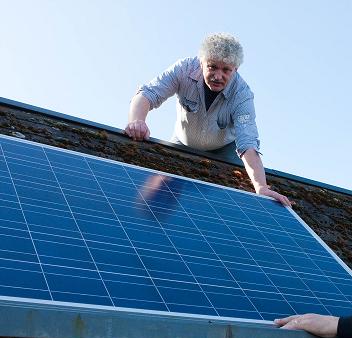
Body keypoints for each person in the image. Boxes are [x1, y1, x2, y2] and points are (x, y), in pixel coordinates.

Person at [124, 33, 291, 207]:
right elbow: (148, 94)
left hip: (225, 150)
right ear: (201, 62)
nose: (218, 76)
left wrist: (261, 186)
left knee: (232, 199)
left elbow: (248, 142)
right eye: (212, 67)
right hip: (182, 142)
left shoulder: (242, 95)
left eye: (226, 70)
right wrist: (137, 121)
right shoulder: (183, 69)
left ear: (235, 69)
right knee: (160, 188)